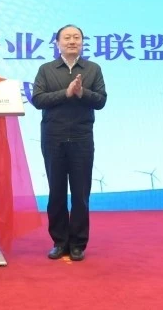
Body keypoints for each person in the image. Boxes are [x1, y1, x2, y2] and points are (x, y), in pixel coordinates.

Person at [31, 24, 107, 261]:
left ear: (82, 42)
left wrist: (82, 92)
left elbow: (101, 101)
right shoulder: (46, 70)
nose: (72, 41)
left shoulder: (93, 69)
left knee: (81, 193)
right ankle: (59, 242)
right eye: (67, 38)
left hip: (82, 138)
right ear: (57, 43)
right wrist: (66, 92)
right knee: (56, 192)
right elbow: (38, 99)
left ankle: (78, 244)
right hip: (53, 138)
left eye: (76, 37)